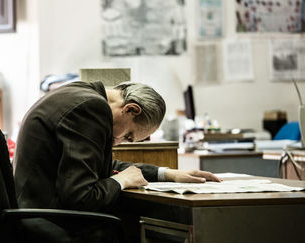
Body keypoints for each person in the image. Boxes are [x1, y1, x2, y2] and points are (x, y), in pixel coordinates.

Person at [13, 80, 220, 242]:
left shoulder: (81, 93)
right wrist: (122, 181)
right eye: (128, 136)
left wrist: (168, 173)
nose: (119, 143)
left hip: (34, 215)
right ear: (131, 109)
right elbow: (81, 197)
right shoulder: (91, 108)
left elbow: (99, 166)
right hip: (51, 224)